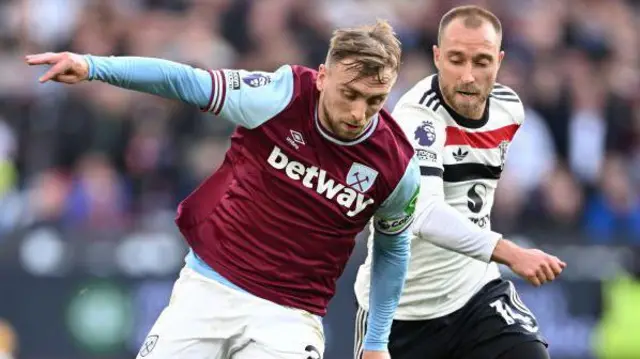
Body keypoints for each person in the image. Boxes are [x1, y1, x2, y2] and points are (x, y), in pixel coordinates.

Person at [26, 20, 420, 359]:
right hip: (209, 287)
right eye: (349, 94)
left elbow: (392, 247)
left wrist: (376, 340)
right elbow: (184, 81)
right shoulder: (278, 95)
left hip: (291, 317)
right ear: (322, 76)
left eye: (374, 101)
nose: (357, 113)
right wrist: (92, 66)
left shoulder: (396, 166)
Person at [354, 6, 565, 359]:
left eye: (481, 62)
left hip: (474, 294)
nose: (467, 76)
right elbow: (424, 215)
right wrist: (510, 253)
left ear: (498, 62)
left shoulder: (509, 110)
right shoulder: (416, 117)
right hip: (402, 311)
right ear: (437, 57)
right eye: (456, 60)